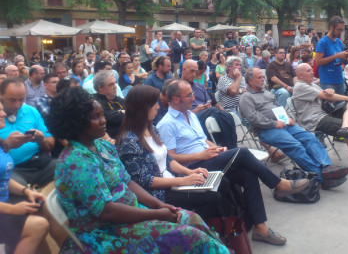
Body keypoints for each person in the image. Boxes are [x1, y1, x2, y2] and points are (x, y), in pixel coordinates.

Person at [46, 87, 229, 253]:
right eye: (95, 117)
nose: (103, 121)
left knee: (192, 219)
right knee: (190, 236)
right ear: (76, 122)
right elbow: (106, 211)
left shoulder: (103, 146)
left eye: (102, 115)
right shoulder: (76, 161)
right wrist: (157, 213)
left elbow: (127, 181)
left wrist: (159, 205)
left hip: (132, 213)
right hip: (105, 232)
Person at [158, 80, 310, 246]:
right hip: (195, 169)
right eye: (189, 95)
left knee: (248, 174)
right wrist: (202, 154)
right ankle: (278, 184)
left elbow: (203, 140)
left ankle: (261, 228)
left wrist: (216, 148)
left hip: (209, 159)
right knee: (242, 152)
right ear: (175, 99)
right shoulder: (166, 124)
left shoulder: (192, 115)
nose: (194, 97)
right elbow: (171, 157)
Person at [117, 85, 224, 222]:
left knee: (223, 183)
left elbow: (168, 159)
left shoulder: (152, 129)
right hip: (158, 194)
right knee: (212, 198)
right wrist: (182, 180)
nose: (157, 107)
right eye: (153, 104)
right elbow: (144, 180)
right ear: (141, 108)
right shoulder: (129, 142)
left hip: (172, 182)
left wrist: (189, 172)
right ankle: (194, 231)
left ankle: (222, 227)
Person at [240, 68, 348, 188]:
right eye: (259, 77)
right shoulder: (246, 98)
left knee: (309, 138)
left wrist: (287, 117)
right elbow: (252, 118)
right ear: (250, 81)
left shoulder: (267, 93)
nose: (263, 79)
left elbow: (278, 107)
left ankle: (327, 167)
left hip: (284, 124)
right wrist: (273, 124)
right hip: (267, 130)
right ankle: (321, 177)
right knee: (295, 145)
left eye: (263, 77)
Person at [293, 64, 348, 175]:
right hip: (314, 120)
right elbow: (326, 97)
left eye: (311, 70)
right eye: (308, 71)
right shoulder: (300, 86)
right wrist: (347, 97)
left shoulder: (312, 85)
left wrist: (330, 91)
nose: (312, 72)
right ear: (300, 75)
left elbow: (329, 100)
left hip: (325, 113)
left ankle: (344, 127)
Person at [0, 120, 49, 254]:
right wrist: (12, 209)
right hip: (5, 208)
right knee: (38, 226)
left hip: (4, 204)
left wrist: (26, 192)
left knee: (42, 205)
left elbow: (3, 177)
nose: (4, 114)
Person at [0, 78, 56, 187]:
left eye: (21, 99)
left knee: (68, 169)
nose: (17, 105)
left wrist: (41, 141)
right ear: (1, 95)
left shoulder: (31, 111)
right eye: (12, 100)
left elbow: (50, 144)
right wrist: (6, 145)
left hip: (40, 162)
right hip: (13, 169)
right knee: (18, 189)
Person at [182, 60, 237, 149]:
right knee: (218, 113)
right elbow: (178, 113)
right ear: (183, 70)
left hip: (207, 114)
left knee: (226, 116)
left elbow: (209, 102)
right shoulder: (178, 88)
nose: (194, 75)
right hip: (191, 117)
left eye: (195, 72)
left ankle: (229, 148)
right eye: (191, 71)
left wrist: (206, 106)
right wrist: (196, 110)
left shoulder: (199, 86)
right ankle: (231, 148)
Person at [315, 16, 348, 95]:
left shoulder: (339, 42)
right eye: (339, 29)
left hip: (339, 79)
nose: (340, 32)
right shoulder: (323, 42)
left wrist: (345, 56)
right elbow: (317, 62)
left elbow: (339, 60)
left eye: (342, 30)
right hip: (327, 81)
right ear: (331, 27)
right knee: (329, 106)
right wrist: (337, 55)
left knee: (341, 105)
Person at [93, 71, 125, 139]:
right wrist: (122, 112)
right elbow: (108, 117)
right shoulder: (95, 103)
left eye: (115, 83)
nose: (115, 86)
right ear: (100, 88)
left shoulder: (120, 100)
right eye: (111, 84)